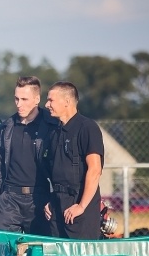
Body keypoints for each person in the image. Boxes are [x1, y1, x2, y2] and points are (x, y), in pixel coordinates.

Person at [0, 76, 56, 235]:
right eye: (16, 99)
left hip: (40, 199)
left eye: (24, 99)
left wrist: (54, 199)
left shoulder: (52, 127)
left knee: (38, 247)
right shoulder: (5, 129)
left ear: (37, 99)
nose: (19, 104)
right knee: (7, 247)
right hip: (9, 200)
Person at [44, 81, 105, 239]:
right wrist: (52, 201)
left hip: (79, 205)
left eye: (51, 100)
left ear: (67, 101)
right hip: (57, 206)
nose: (47, 104)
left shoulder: (87, 127)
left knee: (80, 252)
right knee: (56, 251)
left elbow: (95, 170)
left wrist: (81, 206)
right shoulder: (55, 132)